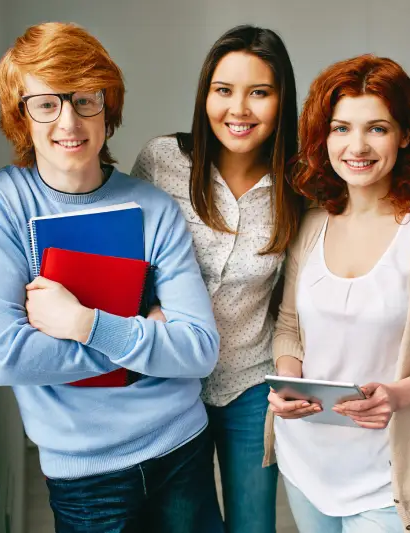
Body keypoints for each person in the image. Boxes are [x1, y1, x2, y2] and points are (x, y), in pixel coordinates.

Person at [0, 22, 223, 533]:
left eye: (86, 99)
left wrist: (82, 322)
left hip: (182, 450)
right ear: (21, 115)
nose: (69, 120)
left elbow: (198, 349)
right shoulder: (0, 206)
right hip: (87, 477)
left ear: (108, 108)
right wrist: (146, 342)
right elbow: (5, 358)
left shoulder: (152, 206)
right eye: (46, 103)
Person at [266, 54, 410, 533]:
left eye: (376, 128)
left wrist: (398, 394)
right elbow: (290, 325)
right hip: (306, 461)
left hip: (386, 474)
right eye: (340, 129)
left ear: (404, 134)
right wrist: (288, 380)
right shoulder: (312, 225)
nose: (357, 146)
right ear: (324, 138)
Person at [131, 25, 300, 533]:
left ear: (281, 100)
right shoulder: (163, 160)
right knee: (182, 524)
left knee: (253, 524)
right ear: (205, 94)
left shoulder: (301, 184)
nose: (239, 109)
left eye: (260, 93)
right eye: (223, 90)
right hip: (170, 379)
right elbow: (127, 260)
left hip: (250, 380)